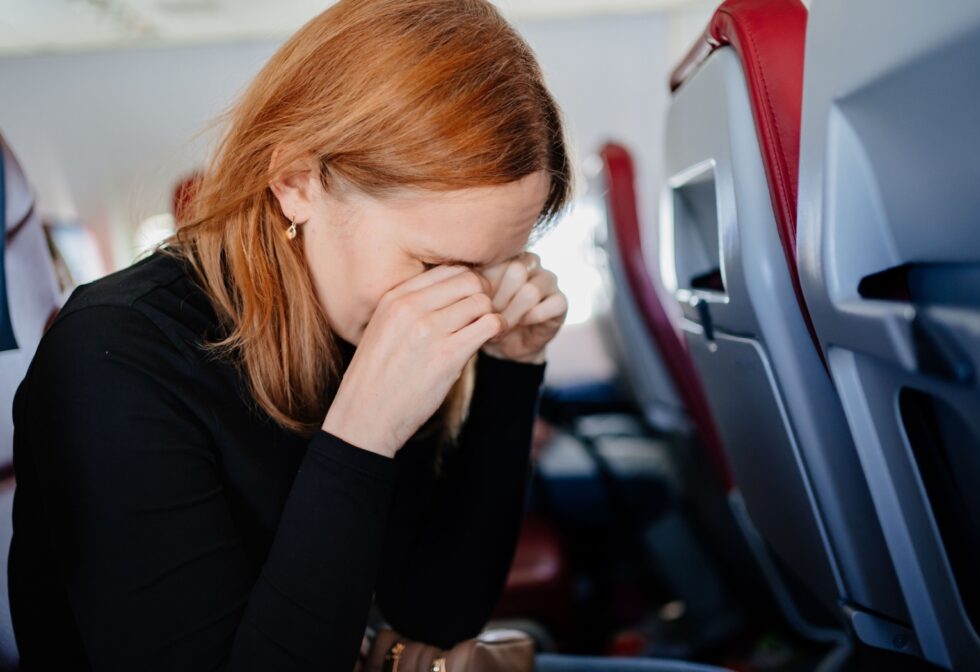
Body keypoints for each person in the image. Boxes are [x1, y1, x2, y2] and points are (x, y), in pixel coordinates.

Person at [7, 0, 572, 669]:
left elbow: (433, 611)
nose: (471, 302)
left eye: (496, 266)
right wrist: (361, 434)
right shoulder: (116, 358)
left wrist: (510, 367)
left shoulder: (360, 321)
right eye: (435, 265)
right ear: (297, 184)